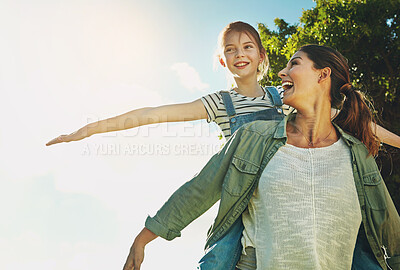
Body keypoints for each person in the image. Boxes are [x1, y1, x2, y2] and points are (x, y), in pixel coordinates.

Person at [122, 45, 400, 270]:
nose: (282, 72)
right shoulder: (253, 138)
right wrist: (144, 238)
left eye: (294, 63)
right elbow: (199, 189)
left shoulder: (357, 156)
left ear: (322, 75)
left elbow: (390, 231)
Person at [45, 22, 400, 148]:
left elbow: (350, 118)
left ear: (262, 56)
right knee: (220, 255)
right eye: (230, 49)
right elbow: (153, 114)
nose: (239, 54)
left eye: (247, 47)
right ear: (222, 61)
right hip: (243, 190)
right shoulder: (218, 102)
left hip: (289, 175)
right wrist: (88, 130)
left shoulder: (283, 97)